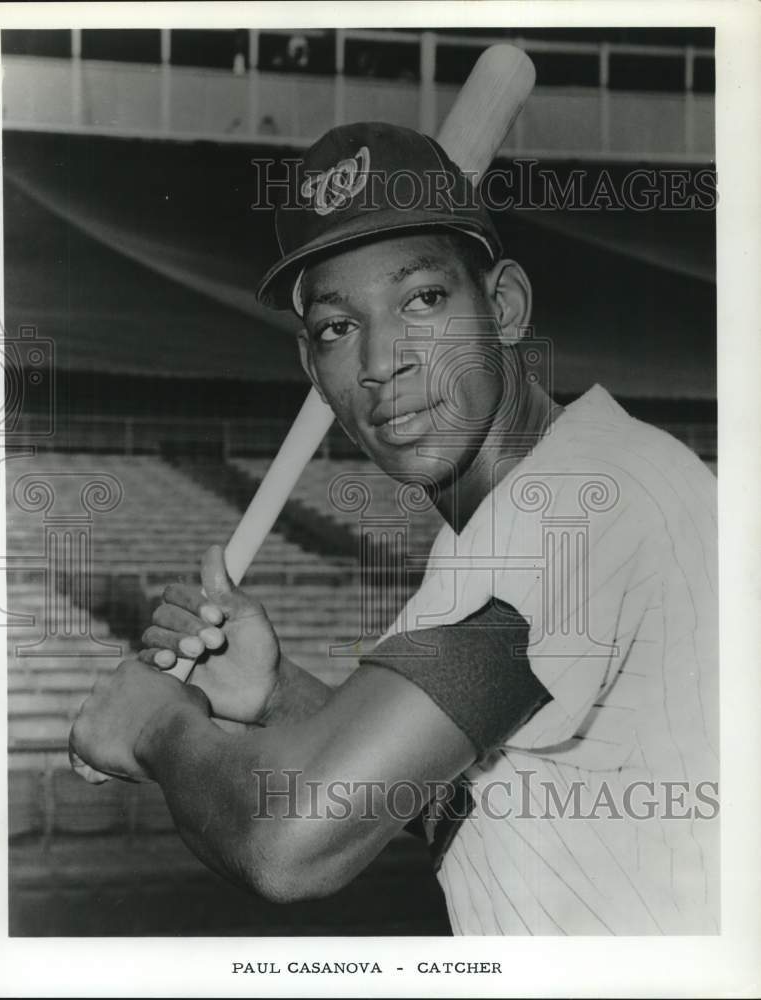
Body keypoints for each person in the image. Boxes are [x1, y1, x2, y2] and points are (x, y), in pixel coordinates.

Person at [70, 122, 718, 934]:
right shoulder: (522, 509)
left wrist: (155, 726)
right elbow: (461, 790)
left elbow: (287, 841)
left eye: (422, 299)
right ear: (314, 368)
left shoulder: (581, 506)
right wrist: (276, 697)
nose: (383, 361)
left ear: (506, 307)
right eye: (340, 327)